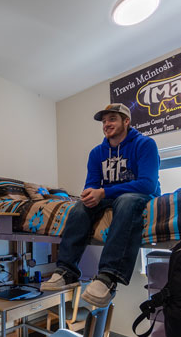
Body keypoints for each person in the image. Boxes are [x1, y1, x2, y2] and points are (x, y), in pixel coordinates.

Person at [40, 103, 160, 307]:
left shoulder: (145, 144)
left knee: (126, 200)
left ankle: (108, 276)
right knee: (79, 207)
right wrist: (89, 194)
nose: (106, 124)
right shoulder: (97, 153)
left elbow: (147, 183)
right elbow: (92, 184)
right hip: (110, 195)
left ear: (126, 121)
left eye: (112, 119)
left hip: (140, 195)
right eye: (104, 121)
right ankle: (66, 271)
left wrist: (104, 192)